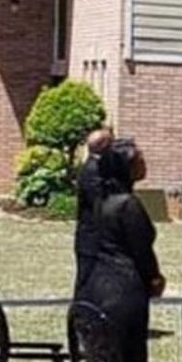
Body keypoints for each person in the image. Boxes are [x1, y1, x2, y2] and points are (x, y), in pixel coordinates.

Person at [79, 138, 165, 362]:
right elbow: (141, 249)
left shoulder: (102, 201)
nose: (144, 163)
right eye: (139, 160)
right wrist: (154, 278)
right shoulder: (128, 205)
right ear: (126, 167)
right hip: (125, 289)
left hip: (99, 284)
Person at [75, 127, 113, 297]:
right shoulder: (93, 171)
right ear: (105, 146)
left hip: (93, 238)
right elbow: (100, 203)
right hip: (91, 239)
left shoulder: (96, 167)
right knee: (86, 283)